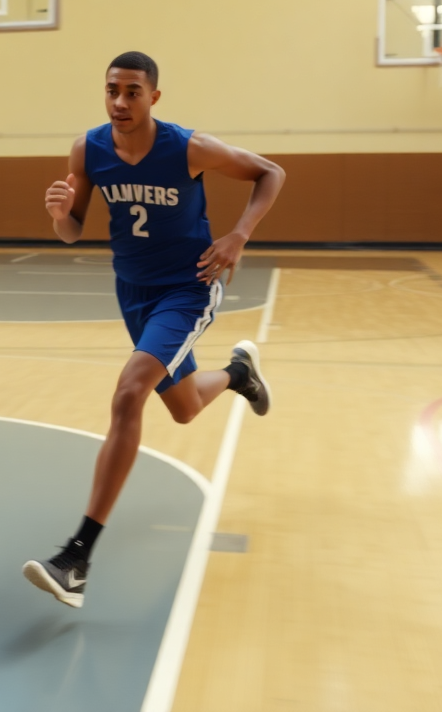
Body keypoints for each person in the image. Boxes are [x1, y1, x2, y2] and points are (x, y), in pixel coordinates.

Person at [23, 51, 285, 608]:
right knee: (185, 406)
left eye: (133, 92)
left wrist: (238, 235)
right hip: (133, 292)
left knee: (129, 393)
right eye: (112, 90)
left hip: (188, 288)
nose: (120, 102)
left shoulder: (188, 147)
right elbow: (73, 233)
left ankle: (77, 557)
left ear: (154, 98)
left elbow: (271, 173)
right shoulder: (87, 149)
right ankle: (238, 373)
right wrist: (59, 214)